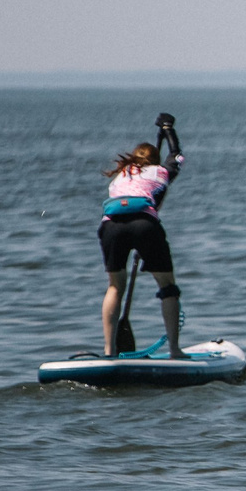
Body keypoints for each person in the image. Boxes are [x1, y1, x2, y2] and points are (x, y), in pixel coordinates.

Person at [99, 114, 185, 359]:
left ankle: (109, 351)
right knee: (168, 287)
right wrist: (167, 129)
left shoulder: (121, 174)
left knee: (115, 286)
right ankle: (175, 350)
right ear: (155, 161)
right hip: (144, 226)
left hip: (111, 226)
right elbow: (177, 155)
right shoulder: (161, 171)